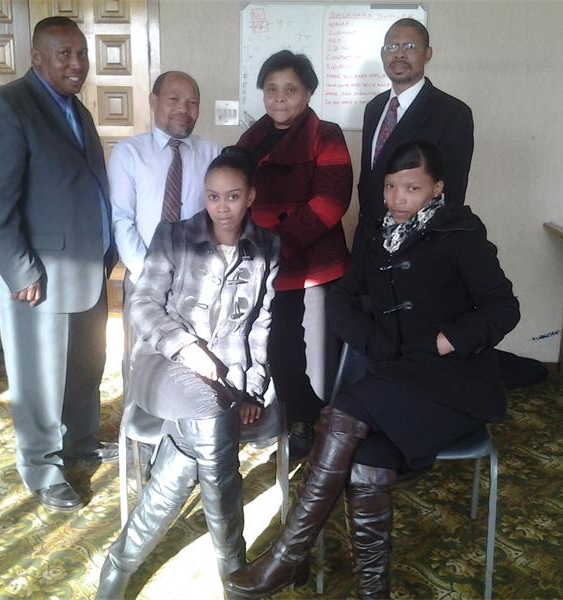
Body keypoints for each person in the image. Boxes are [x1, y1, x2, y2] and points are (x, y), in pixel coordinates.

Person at [227, 140, 520, 599]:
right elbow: (343, 301)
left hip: (454, 385)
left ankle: (288, 555)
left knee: (343, 411)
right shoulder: (377, 236)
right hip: (397, 377)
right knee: (366, 462)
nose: (397, 199)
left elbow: (504, 308)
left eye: (411, 188)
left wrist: (446, 340)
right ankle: (371, 591)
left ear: (437, 189)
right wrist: (378, 343)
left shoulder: (461, 234)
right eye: (389, 187)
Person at [97, 147, 280, 599]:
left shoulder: (267, 247)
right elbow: (142, 305)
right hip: (160, 366)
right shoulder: (174, 235)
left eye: (233, 196)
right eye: (213, 196)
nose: (222, 207)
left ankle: (120, 562)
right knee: (212, 424)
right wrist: (185, 348)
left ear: (250, 196)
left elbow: (262, 326)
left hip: (225, 382)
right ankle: (235, 572)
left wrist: (252, 391)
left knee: (192, 448)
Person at [0, 17, 118, 512]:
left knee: (84, 368)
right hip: (37, 277)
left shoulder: (77, 110)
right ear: (36, 57)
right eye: (64, 54)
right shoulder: (6, 107)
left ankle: (80, 444)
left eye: (82, 54)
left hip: (85, 269)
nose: (77, 64)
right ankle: (41, 467)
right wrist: (20, 269)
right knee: (39, 379)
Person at [237, 50, 353, 462]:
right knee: (276, 347)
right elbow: (235, 194)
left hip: (310, 264)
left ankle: (320, 424)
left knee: (317, 354)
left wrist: (278, 245)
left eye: (290, 89)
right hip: (262, 263)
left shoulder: (326, 135)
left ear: (308, 93)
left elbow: (331, 202)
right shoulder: (250, 140)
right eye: (271, 89)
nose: (280, 98)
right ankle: (297, 416)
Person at [109, 71, 221, 384]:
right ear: (154, 101)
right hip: (143, 278)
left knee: (195, 366)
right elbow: (121, 218)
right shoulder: (128, 153)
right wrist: (149, 274)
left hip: (198, 283)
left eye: (192, 102)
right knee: (140, 364)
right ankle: (137, 417)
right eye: (174, 99)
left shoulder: (213, 154)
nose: (183, 108)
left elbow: (220, 220)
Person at [353, 18, 474, 256]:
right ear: (382, 54)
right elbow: (370, 178)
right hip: (368, 240)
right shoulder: (374, 108)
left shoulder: (452, 113)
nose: (399, 54)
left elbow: (452, 191)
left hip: (417, 247)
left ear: (427, 54)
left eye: (409, 47)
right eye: (392, 47)